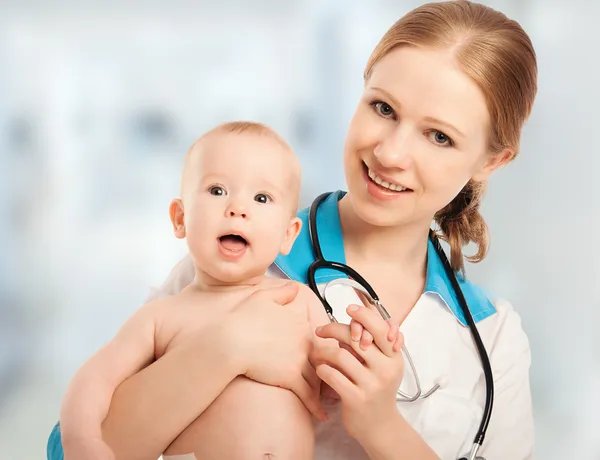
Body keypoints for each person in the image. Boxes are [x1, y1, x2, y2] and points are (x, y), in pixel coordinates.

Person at [47, 1, 538, 459]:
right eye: (383, 108)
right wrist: (227, 347)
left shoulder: (494, 339)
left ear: (491, 161)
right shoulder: (241, 255)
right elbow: (65, 450)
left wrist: (380, 425)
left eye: (439, 137)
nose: (389, 153)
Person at [58, 121, 365, 460]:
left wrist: (359, 348)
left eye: (262, 198)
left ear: (287, 235)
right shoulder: (162, 317)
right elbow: (95, 379)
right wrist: (82, 440)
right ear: (180, 218)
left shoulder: (299, 302)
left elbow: (333, 383)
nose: (237, 208)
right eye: (217, 190)